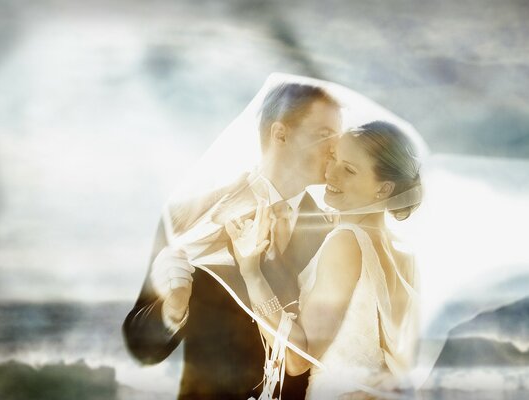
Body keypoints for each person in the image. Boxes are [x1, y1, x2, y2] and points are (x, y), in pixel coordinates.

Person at [123, 81, 342, 399]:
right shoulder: (192, 216)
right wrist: (173, 307)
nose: (337, 148)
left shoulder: (336, 234)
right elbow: (143, 346)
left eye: (339, 136)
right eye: (325, 135)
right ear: (280, 134)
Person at [226, 120, 422, 399]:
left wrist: (252, 273)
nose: (331, 173)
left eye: (349, 169)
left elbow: (297, 359)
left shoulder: (346, 242)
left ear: (384, 189)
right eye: (334, 158)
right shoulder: (403, 252)